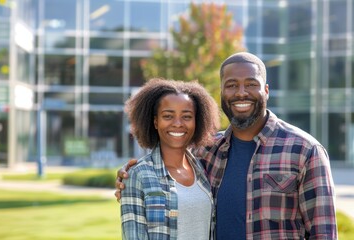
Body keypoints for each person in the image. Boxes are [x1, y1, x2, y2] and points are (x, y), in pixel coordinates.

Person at [116, 52, 338, 239]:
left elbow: (324, 233)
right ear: (221, 92)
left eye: (251, 84)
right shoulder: (206, 151)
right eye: (231, 85)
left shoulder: (305, 151)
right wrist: (131, 176)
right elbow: (168, 173)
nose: (241, 92)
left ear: (266, 91)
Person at [120, 78, 220, 240]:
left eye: (186, 117)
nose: (178, 124)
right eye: (168, 116)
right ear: (155, 122)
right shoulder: (138, 175)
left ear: (197, 121)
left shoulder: (203, 170)